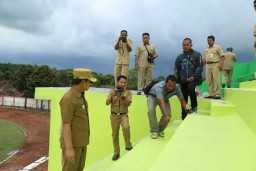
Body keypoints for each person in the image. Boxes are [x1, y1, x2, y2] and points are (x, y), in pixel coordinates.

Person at [59, 68, 97, 171]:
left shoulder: (80, 96)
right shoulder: (68, 99)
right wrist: (69, 148)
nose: (90, 84)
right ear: (83, 82)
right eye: (89, 81)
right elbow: (66, 125)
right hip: (73, 144)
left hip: (81, 142)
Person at [147, 75, 188, 139]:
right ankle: (154, 131)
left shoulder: (177, 88)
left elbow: (182, 100)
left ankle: (160, 130)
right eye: (169, 86)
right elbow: (161, 101)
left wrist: (187, 110)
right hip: (153, 97)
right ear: (165, 82)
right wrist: (165, 116)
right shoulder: (159, 87)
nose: (171, 88)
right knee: (151, 110)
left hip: (164, 98)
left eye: (173, 86)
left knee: (168, 114)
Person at [175, 38, 203, 120]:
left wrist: (194, 76)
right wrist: (177, 81)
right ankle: (184, 115)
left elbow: (200, 67)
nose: (185, 46)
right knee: (183, 97)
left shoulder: (197, 55)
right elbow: (176, 70)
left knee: (190, 88)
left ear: (191, 45)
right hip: (183, 80)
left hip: (194, 78)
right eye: (184, 45)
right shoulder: (179, 57)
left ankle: (194, 107)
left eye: (187, 45)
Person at [106, 75, 133, 161]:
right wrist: (111, 95)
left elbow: (128, 103)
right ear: (117, 82)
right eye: (121, 82)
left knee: (126, 128)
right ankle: (116, 152)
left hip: (123, 115)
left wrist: (123, 98)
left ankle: (128, 145)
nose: (123, 84)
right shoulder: (112, 91)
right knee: (115, 133)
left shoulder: (128, 92)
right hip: (114, 115)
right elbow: (107, 103)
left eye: (125, 82)